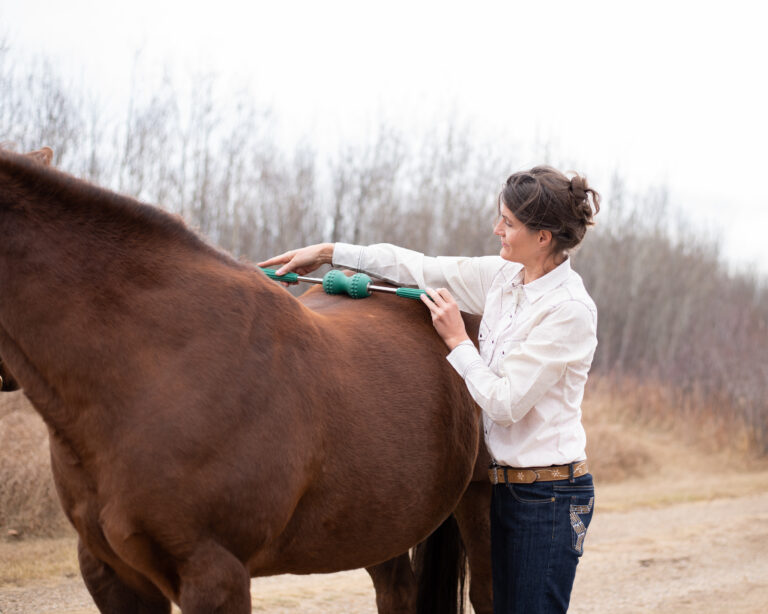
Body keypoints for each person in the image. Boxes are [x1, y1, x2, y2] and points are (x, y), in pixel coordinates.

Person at [258, 165, 600, 613]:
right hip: (508, 488)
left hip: (549, 498)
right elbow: (416, 265)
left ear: (543, 238)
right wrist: (327, 251)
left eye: (509, 223)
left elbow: (505, 404)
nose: (496, 229)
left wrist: (458, 340)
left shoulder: (568, 310)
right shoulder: (502, 279)